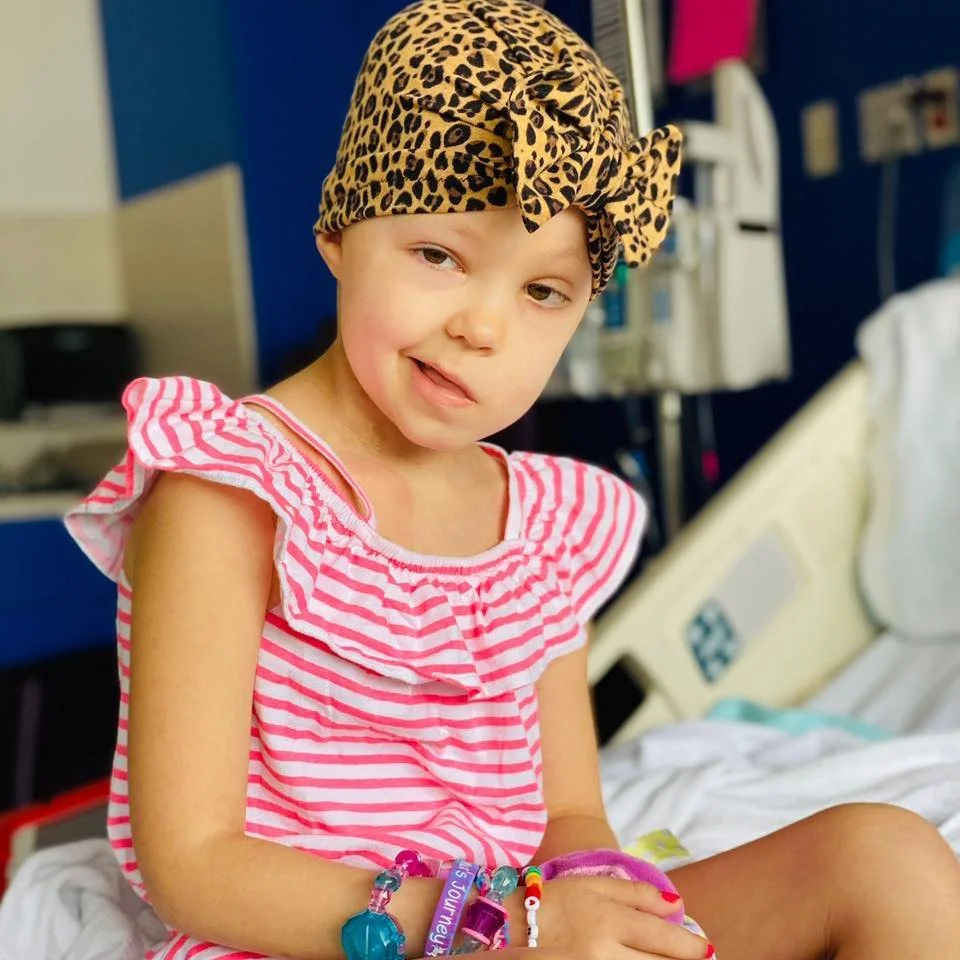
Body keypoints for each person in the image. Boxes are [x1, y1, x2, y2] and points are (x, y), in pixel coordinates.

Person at [65, 2, 960, 959]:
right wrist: (496, 929)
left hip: (532, 928)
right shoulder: (231, 488)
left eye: (542, 292)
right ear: (340, 227)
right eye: (441, 256)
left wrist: (596, 915)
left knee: (884, 859)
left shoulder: (543, 529)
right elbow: (193, 865)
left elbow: (569, 815)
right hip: (336, 935)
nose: (483, 327)